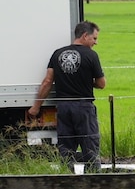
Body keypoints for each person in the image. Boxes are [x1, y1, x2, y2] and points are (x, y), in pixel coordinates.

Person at [28, 21, 106, 173]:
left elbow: (47, 82)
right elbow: (102, 83)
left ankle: (66, 180)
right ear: (85, 36)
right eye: (94, 38)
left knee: (66, 147)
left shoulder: (57, 54)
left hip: (63, 107)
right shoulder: (91, 55)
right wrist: (89, 82)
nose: (96, 43)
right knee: (89, 144)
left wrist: (35, 107)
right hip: (83, 107)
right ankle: (93, 181)